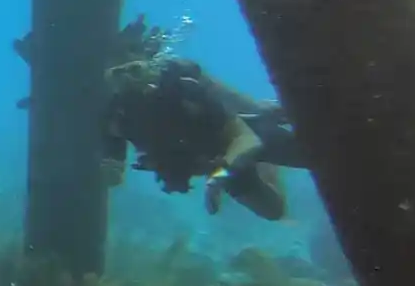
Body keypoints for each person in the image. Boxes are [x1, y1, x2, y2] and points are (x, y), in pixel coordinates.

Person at [100, 54, 306, 220]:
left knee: (307, 154)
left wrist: (219, 177)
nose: (127, 79)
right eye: (117, 74)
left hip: (233, 140)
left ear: (151, 68)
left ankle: (264, 154)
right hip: (211, 158)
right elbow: (113, 167)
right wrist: (112, 174)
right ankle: (256, 147)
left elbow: (245, 137)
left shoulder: (186, 90)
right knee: (273, 211)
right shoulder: (117, 120)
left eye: (134, 70)